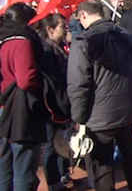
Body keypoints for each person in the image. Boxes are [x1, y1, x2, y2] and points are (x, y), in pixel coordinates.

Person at [67, 0, 132, 191]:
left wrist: (78, 117)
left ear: (83, 15)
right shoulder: (128, 37)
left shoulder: (83, 42)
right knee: (131, 158)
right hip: (126, 109)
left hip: (98, 114)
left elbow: (78, 84)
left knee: (102, 164)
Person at [0, 3, 46, 191]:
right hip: (20, 111)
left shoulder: (3, 39)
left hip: (3, 107)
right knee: (23, 166)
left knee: (4, 166)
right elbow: (26, 80)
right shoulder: (21, 42)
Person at [37, 14, 72, 191]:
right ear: (50, 30)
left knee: (63, 140)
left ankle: (63, 172)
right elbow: (51, 83)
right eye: (62, 27)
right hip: (53, 105)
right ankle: (52, 180)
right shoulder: (46, 51)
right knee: (52, 143)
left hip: (64, 101)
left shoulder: (61, 47)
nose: (66, 30)